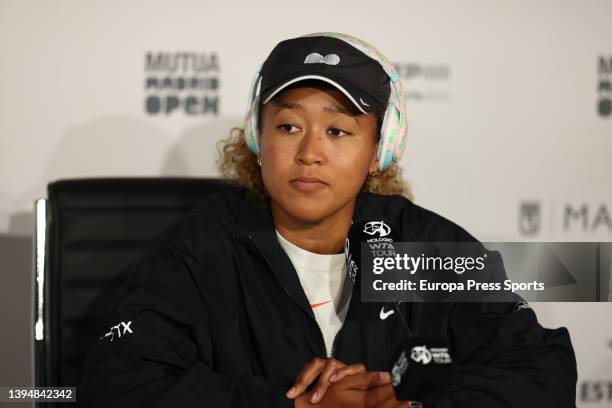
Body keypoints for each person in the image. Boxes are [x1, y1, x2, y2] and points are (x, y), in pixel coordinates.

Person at [80, 32, 577, 407]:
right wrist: (293, 403)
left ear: (380, 148)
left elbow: (541, 371)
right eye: (289, 125)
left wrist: (410, 404)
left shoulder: (416, 247)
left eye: (338, 130)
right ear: (258, 140)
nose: (309, 152)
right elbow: (116, 382)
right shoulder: (205, 246)